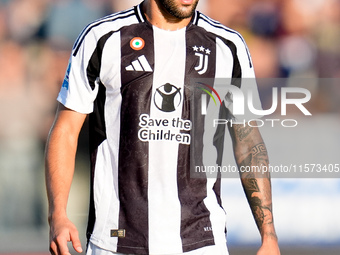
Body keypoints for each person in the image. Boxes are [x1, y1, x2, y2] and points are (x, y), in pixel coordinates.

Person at [45, 0, 281, 255]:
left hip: (201, 241)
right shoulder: (102, 38)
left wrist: (268, 236)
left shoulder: (228, 46)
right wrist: (57, 214)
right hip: (116, 240)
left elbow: (248, 141)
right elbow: (66, 130)